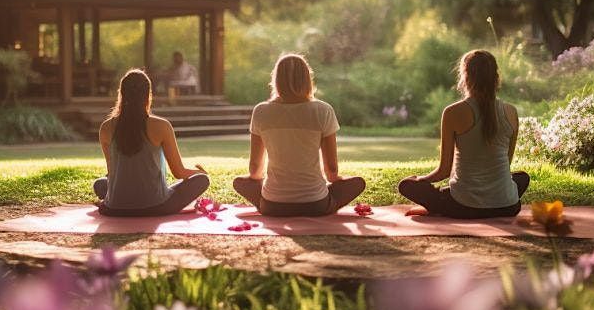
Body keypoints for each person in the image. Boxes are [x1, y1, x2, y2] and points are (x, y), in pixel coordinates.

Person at [398, 50, 530, 219]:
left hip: (464, 207)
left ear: (465, 77)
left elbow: (444, 171)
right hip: (508, 206)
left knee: (407, 185)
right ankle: (446, 205)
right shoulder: (511, 112)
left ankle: (437, 207)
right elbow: (507, 163)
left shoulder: (453, 112)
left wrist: (420, 179)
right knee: (522, 178)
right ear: (496, 78)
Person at [232, 53, 366, 216]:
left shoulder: (261, 111)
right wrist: (342, 181)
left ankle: (268, 200)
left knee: (240, 182)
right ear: (307, 79)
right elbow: (331, 172)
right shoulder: (323, 110)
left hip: (273, 206)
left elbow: (255, 171)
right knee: (357, 183)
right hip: (316, 205)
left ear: (276, 80)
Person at [93, 69, 209, 216]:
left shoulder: (106, 127)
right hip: (156, 206)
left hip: (115, 207)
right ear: (148, 96)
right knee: (202, 180)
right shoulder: (161, 126)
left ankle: (124, 201)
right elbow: (179, 172)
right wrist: (200, 172)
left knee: (100, 184)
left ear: (121, 94)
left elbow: (112, 174)